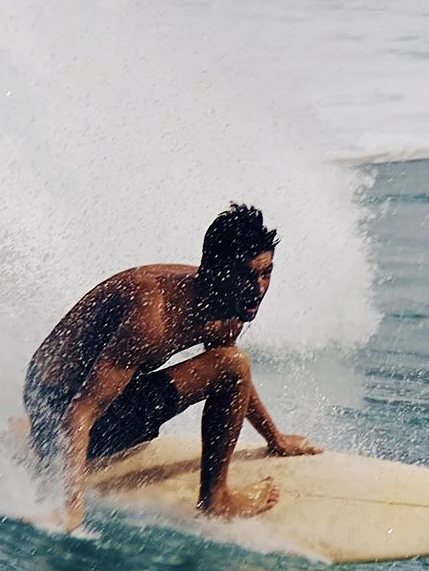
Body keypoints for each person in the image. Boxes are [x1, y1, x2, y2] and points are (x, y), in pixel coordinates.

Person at [23, 202, 317, 533]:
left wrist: (274, 438)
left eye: (266, 274)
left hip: (55, 398)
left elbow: (233, 378)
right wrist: (70, 508)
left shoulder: (231, 301)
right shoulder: (152, 316)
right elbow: (82, 410)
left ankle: (35, 437)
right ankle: (215, 501)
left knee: (232, 363)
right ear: (217, 272)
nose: (259, 289)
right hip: (56, 407)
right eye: (247, 276)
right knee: (234, 363)